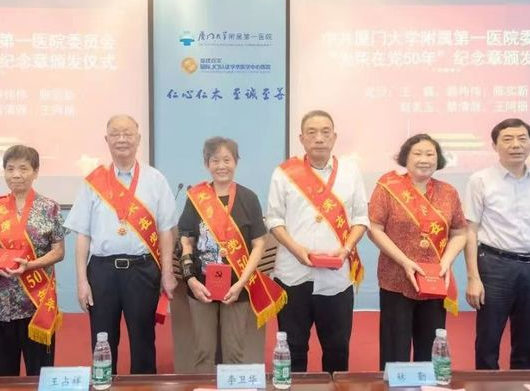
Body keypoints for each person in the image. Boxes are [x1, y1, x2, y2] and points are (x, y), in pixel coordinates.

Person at [64, 114, 177, 374]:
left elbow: (165, 231)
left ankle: (144, 387)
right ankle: (104, 384)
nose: (122, 139)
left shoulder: (155, 179)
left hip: (142, 270)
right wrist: (82, 281)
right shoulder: (94, 181)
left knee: (143, 340)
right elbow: (83, 235)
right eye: (115, 134)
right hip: (102, 271)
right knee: (102, 340)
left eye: (127, 134)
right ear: (107, 140)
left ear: (138, 139)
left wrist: (167, 272)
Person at [265, 110, 369, 373]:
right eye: (312, 133)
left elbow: (361, 218)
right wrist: (295, 249)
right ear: (301, 138)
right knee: (293, 348)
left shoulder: (350, 172)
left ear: (334, 137)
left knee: (337, 349)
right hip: (292, 274)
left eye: (325, 132)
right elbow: (274, 219)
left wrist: (346, 249)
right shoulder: (284, 173)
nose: (319, 138)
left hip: (337, 278)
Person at [464, 118, 530, 370]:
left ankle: (524, 383)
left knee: (528, 341)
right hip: (494, 266)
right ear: (495, 145)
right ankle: (486, 386)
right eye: (507, 139)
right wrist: (473, 278)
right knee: (488, 339)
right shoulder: (480, 180)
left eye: (522, 138)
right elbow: (470, 231)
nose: (516, 145)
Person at [178, 137, 286, 373]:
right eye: (215, 160)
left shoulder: (249, 198)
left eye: (227, 160)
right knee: (203, 353)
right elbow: (186, 240)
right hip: (201, 286)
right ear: (207, 164)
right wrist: (191, 279)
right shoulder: (196, 197)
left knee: (234, 353)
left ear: (236, 162)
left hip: (238, 286)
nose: (221, 166)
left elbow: (259, 244)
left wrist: (241, 283)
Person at [367, 134, 467, 370]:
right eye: (418, 153)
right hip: (396, 279)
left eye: (430, 154)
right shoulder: (388, 187)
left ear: (438, 159)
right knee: (395, 352)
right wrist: (404, 261)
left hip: (434, 282)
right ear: (405, 157)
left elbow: (460, 232)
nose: (424, 159)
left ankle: (427, 385)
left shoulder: (448, 192)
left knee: (430, 350)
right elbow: (374, 229)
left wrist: (445, 263)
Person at [0, 145, 65, 376]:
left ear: (36, 172)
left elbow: (58, 251)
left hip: (36, 301)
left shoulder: (49, 208)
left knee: (40, 371)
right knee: (4, 372)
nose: (16, 174)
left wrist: (30, 265)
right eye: (10, 168)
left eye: (24, 168)